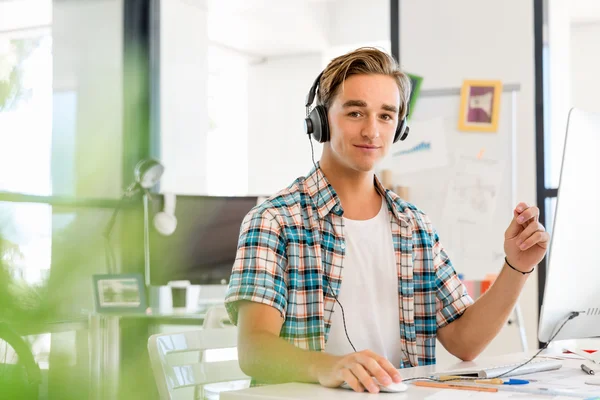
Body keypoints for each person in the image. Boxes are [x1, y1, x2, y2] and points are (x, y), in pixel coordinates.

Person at [224, 47, 549, 394]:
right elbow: (254, 349)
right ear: (320, 120)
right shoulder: (274, 221)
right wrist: (330, 366)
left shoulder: (415, 227)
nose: (372, 131)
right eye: (355, 113)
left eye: (386, 116)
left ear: (400, 128)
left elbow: (464, 341)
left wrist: (516, 266)